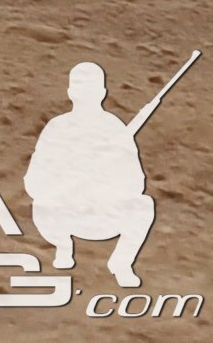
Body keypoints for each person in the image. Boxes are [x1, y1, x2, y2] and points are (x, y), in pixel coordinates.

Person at [23, 61, 158, 288]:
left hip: (104, 214)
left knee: (144, 205)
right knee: (41, 205)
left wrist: (104, 177)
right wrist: (68, 179)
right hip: (64, 214)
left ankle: (122, 263)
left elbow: (136, 183)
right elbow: (34, 181)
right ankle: (63, 246)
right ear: (70, 91)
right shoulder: (57, 127)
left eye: (91, 86)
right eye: (79, 85)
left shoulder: (114, 128)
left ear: (102, 92)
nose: (84, 91)